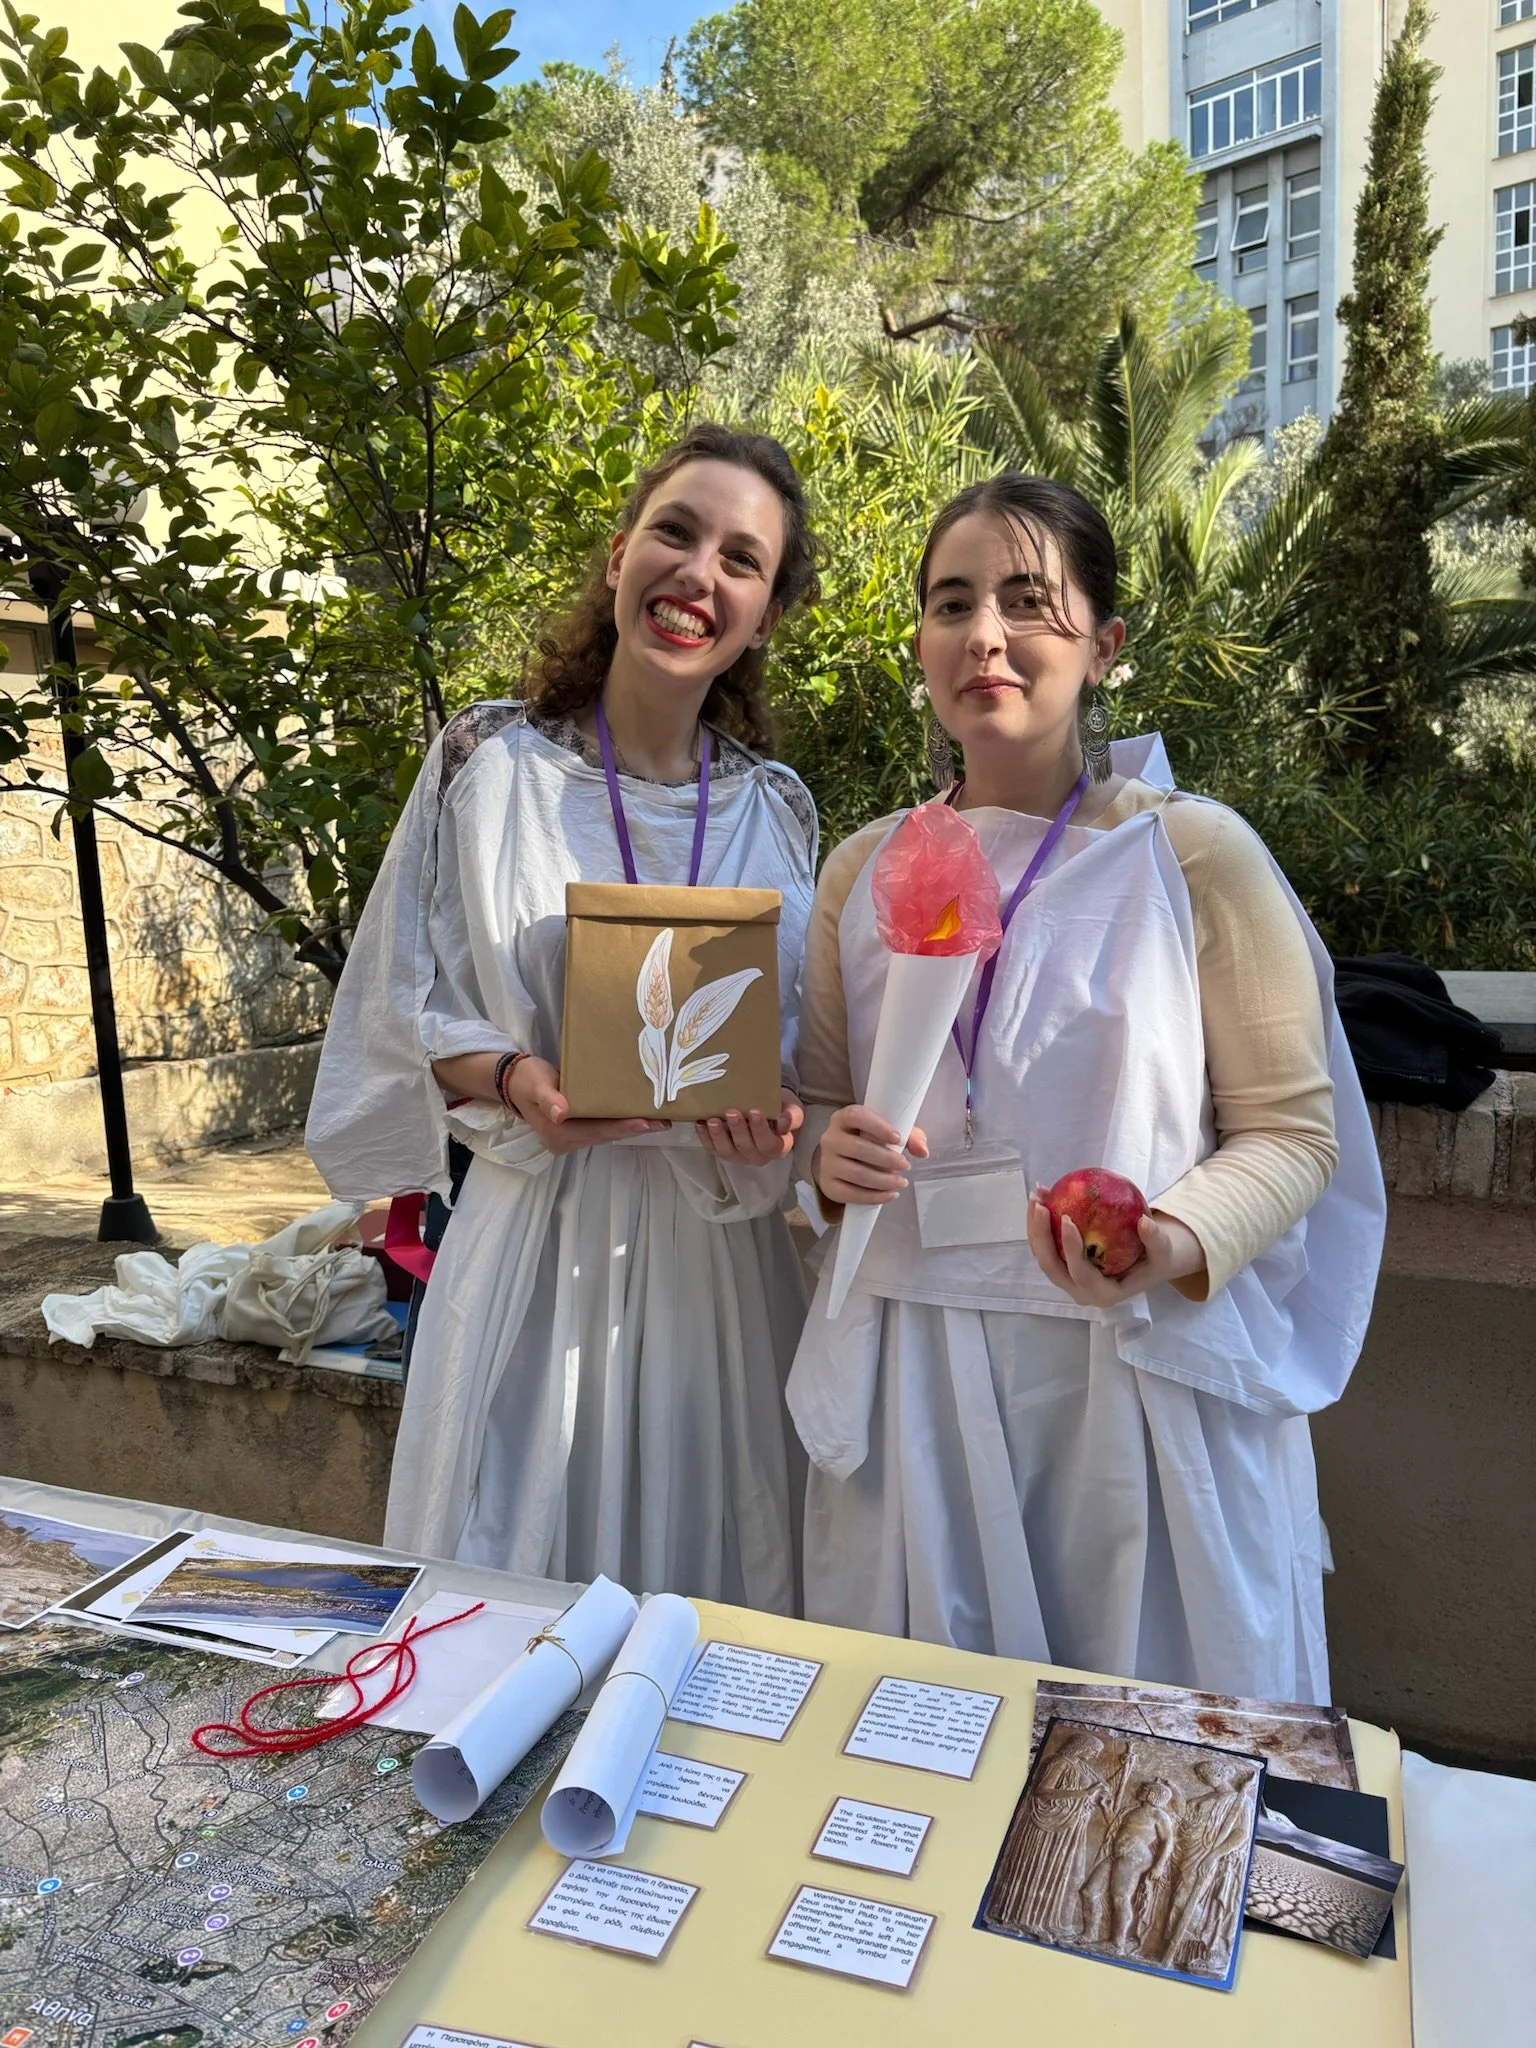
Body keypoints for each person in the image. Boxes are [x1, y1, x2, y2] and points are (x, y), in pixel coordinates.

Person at [787, 473, 1385, 1701]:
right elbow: (818, 1110)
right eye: (951, 604)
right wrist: (821, 1160)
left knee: (1141, 1783)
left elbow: (1292, 1131)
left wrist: (1169, 1238)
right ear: (920, 644)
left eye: (1028, 601)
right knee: (921, 1767)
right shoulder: (858, 870)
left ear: (1104, 645)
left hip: (1131, 1393)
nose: (985, 634)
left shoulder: (1190, 852)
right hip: (918, 1394)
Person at [308, 424, 821, 1610]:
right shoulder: (487, 763)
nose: (699, 573)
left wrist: (780, 1115)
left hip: (720, 1273)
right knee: (509, 1591)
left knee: (711, 1608)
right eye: (676, 532)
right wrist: (513, 1076)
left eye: (741, 559)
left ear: (763, 615)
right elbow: (394, 1012)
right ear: (618, 555)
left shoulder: (779, 811)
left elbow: (803, 1048)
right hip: (534, 1253)